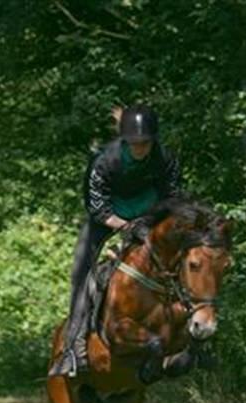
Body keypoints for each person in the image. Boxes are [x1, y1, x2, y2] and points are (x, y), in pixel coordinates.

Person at [49, 104, 182, 377]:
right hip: (108, 220)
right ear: (125, 141)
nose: (140, 149)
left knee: (186, 259)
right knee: (81, 273)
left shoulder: (165, 158)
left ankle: (191, 343)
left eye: (145, 143)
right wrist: (126, 226)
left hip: (150, 217)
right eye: (135, 144)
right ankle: (73, 351)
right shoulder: (104, 161)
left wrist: (151, 222)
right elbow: (97, 207)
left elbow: (173, 196)